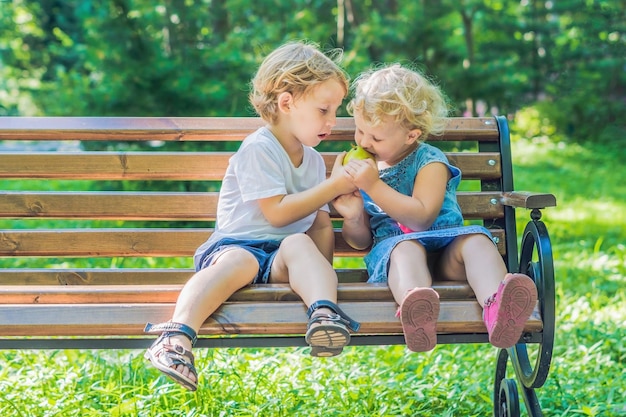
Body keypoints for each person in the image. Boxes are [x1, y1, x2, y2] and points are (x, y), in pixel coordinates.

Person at [144, 41, 360, 391]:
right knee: (242, 262)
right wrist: (333, 187)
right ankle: (176, 337)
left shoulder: (315, 161)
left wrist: (318, 276)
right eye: (324, 110)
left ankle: (324, 315)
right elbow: (275, 212)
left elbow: (320, 224)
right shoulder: (259, 148)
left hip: (280, 258)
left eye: (336, 111)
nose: (333, 122)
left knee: (299, 244)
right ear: (287, 102)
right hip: (235, 247)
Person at [333, 64, 537, 353]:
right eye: (360, 131)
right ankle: (417, 309)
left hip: (446, 251)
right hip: (398, 258)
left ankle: (498, 308)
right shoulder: (362, 170)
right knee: (406, 249)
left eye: (376, 138)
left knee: (476, 241)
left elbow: (421, 218)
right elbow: (361, 241)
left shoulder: (430, 161)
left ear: (411, 136)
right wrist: (354, 215)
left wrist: (374, 186)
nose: (364, 142)